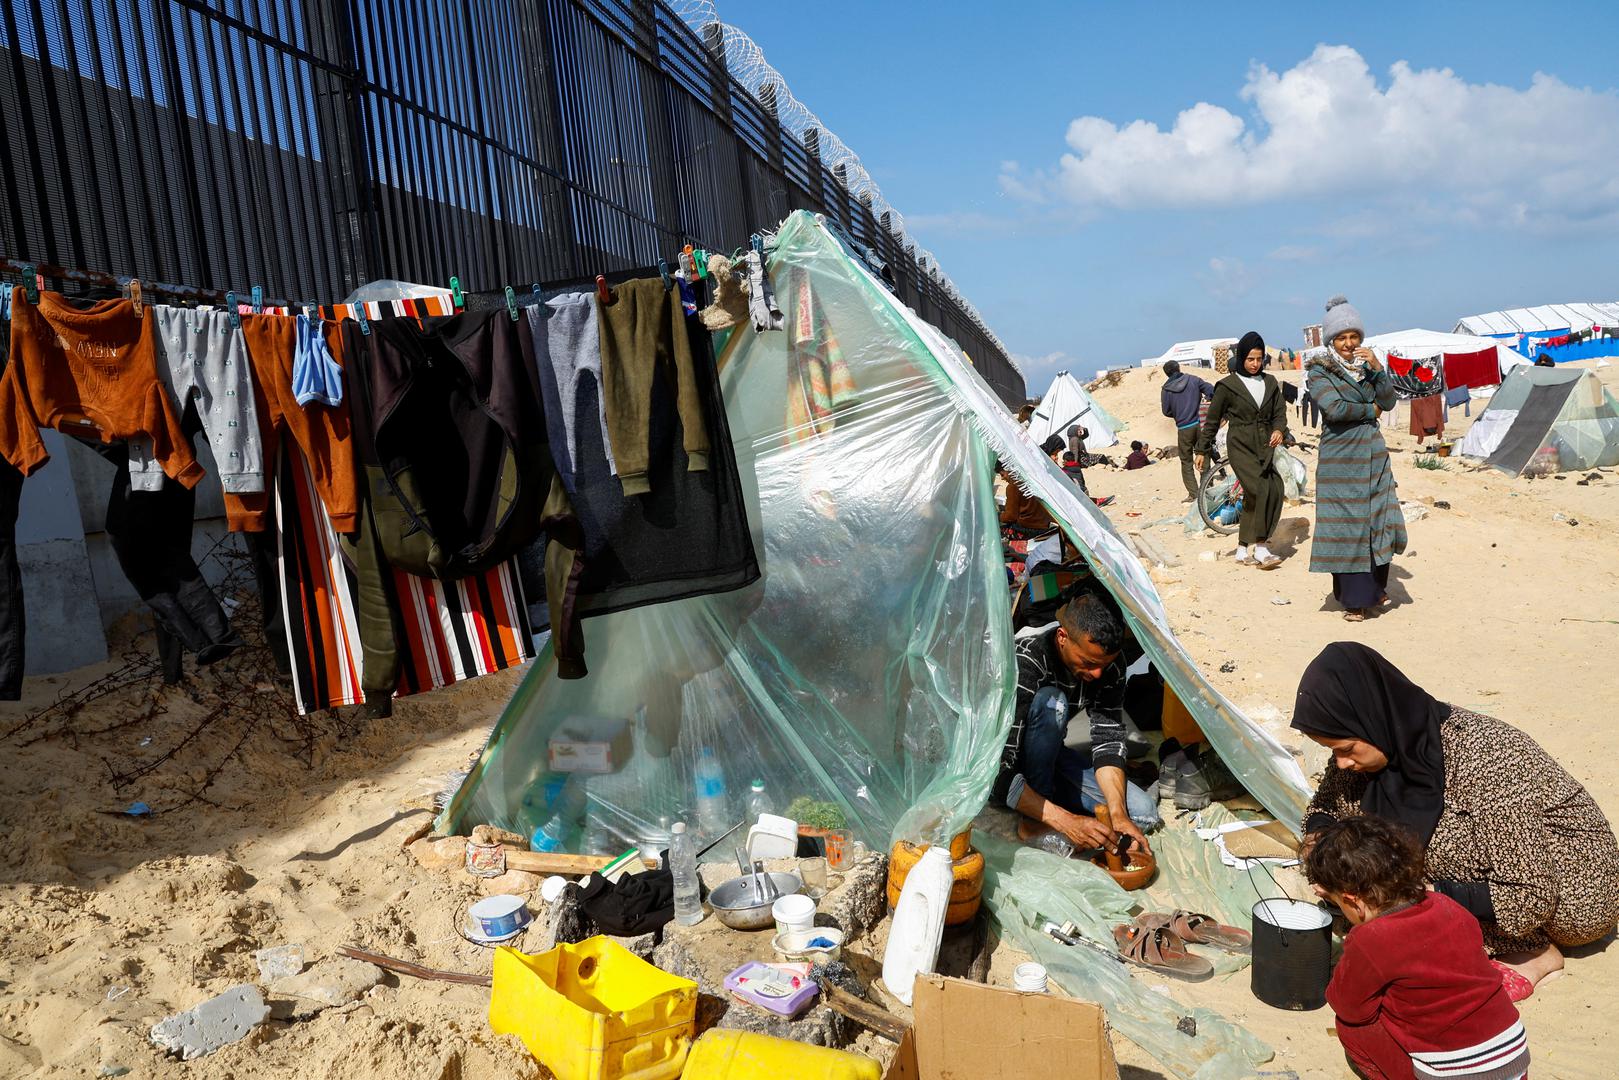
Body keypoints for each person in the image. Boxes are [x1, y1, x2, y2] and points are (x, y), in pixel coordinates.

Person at [1292, 642, 1619, 1000]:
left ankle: (1535, 953)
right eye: (1332, 751)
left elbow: (1530, 895)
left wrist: (1406, 896)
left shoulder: (1485, 758)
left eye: (1346, 750)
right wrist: (1318, 842)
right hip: (1509, 875)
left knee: (1392, 862)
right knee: (1363, 843)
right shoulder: (1383, 736)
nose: (1340, 763)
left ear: (1373, 719)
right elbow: (1327, 803)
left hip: (1569, 893)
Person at [1304, 815, 1530, 1080]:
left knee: (1352, 1027)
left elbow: (1349, 1007)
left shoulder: (1370, 938)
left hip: (1456, 1072)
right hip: (1513, 1058)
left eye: (1338, 903)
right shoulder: (1448, 906)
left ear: (1353, 902)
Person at [990, 592, 1160, 857]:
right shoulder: (1027, 661)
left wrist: (1118, 814)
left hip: (1049, 756)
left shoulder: (1108, 668)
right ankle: (1033, 820)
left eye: (1104, 664)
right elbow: (994, 768)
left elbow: (1108, 740)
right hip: (1002, 761)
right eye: (1089, 663)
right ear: (1062, 638)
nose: (1097, 674)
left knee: (1143, 815)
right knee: (1052, 702)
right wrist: (1066, 822)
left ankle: (1048, 801)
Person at [1304, 296, 1405, 621]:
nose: (1349, 344)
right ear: (1331, 339)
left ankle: (1375, 590)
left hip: (1373, 458)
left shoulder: (1367, 368)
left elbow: (1388, 402)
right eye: (1342, 337)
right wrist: (1369, 410)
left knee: (1377, 520)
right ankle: (1354, 601)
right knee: (1348, 527)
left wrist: (1377, 370)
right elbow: (1334, 408)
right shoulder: (1320, 372)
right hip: (1341, 463)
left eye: (1353, 336)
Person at [1195, 330, 1288, 570]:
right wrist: (1202, 450)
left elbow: (1280, 413)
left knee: (1274, 488)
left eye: (1259, 359)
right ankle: (1261, 547)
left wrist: (1279, 429)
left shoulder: (1270, 383)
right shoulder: (1228, 386)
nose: (1255, 364)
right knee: (1259, 490)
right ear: (1241, 358)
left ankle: (1241, 549)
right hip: (1240, 445)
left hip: (1265, 445)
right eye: (1250, 359)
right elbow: (1212, 421)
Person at [1160, 360, 1214, 501]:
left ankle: (1194, 494)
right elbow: (1212, 390)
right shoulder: (1193, 379)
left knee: (1186, 462)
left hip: (1184, 428)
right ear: (1179, 368)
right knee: (1205, 456)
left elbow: (1166, 411)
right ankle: (1206, 490)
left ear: (1166, 373)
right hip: (1200, 425)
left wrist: (1178, 413)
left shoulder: (1166, 389)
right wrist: (1206, 400)